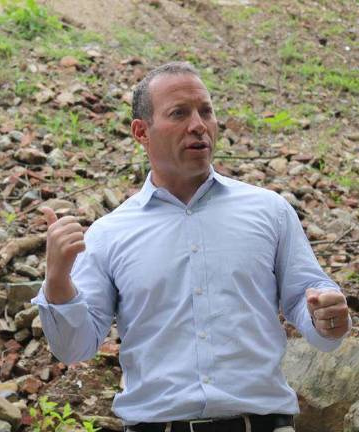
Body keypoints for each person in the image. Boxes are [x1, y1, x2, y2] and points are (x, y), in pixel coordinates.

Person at [32, 61, 351, 432]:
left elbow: (305, 299)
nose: (199, 125)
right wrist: (57, 279)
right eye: (179, 113)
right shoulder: (110, 233)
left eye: (206, 111)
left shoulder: (269, 210)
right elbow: (75, 348)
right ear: (141, 131)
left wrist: (326, 317)